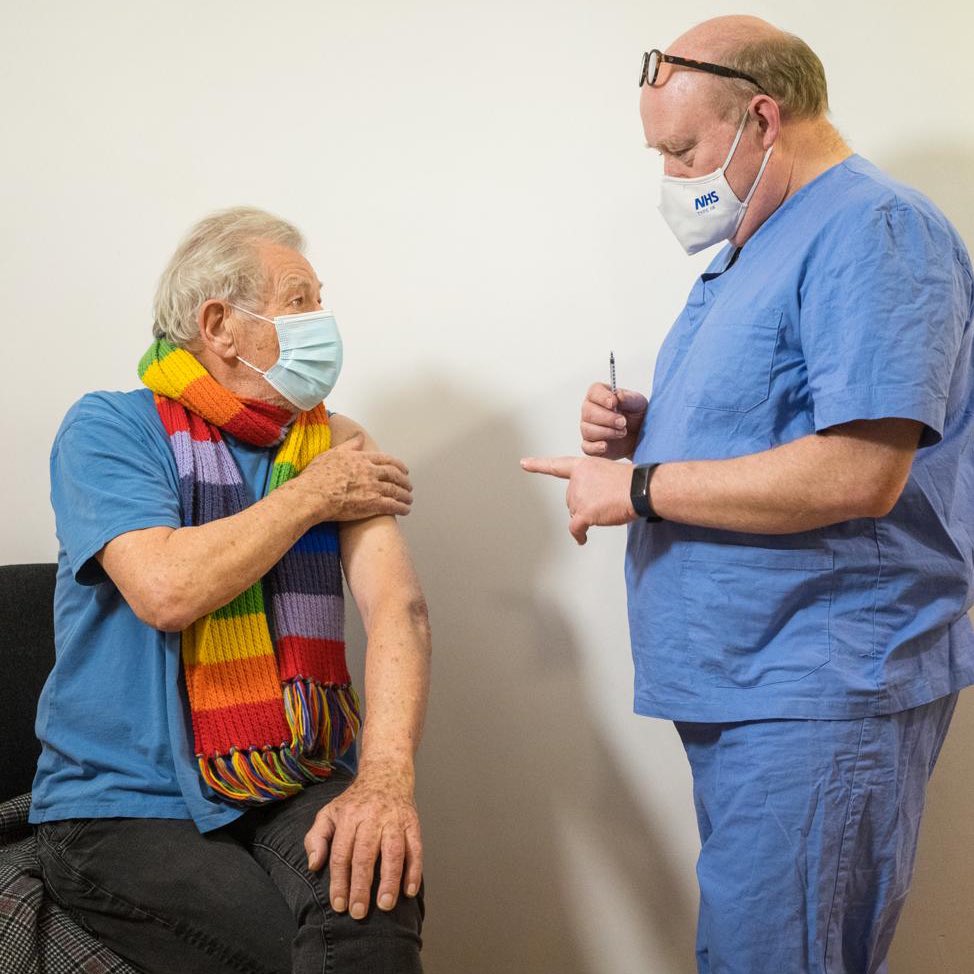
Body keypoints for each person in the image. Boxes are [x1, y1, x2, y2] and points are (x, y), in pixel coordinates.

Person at [523, 15, 974, 974]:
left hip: (819, 678)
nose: (672, 179)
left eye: (682, 149)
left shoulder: (873, 228)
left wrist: (637, 486)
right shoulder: (756, 245)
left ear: (764, 117)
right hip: (754, 682)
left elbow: (860, 469)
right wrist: (651, 430)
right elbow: (781, 425)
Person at [29, 207, 431, 974]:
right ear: (220, 325)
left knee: (373, 901)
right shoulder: (108, 428)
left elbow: (397, 611)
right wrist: (312, 496)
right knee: (288, 958)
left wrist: (384, 781)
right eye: (301, 300)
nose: (325, 320)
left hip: (291, 775)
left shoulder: (333, 441)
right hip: (122, 804)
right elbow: (166, 588)